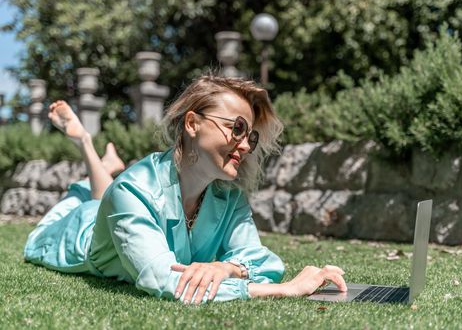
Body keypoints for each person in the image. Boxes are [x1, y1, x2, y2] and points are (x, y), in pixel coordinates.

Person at [24, 75, 347, 304]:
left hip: (117, 203)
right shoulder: (134, 190)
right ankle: (85, 143)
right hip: (75, 231)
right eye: (237, 128)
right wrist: (286, 290)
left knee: (107, 193)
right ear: (192, 124)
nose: (245, 145)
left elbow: (263, 261)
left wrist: (225, 267)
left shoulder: (229, 198)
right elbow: (163, 279)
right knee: (88, 199)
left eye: (251, 136)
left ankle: (105, 169)